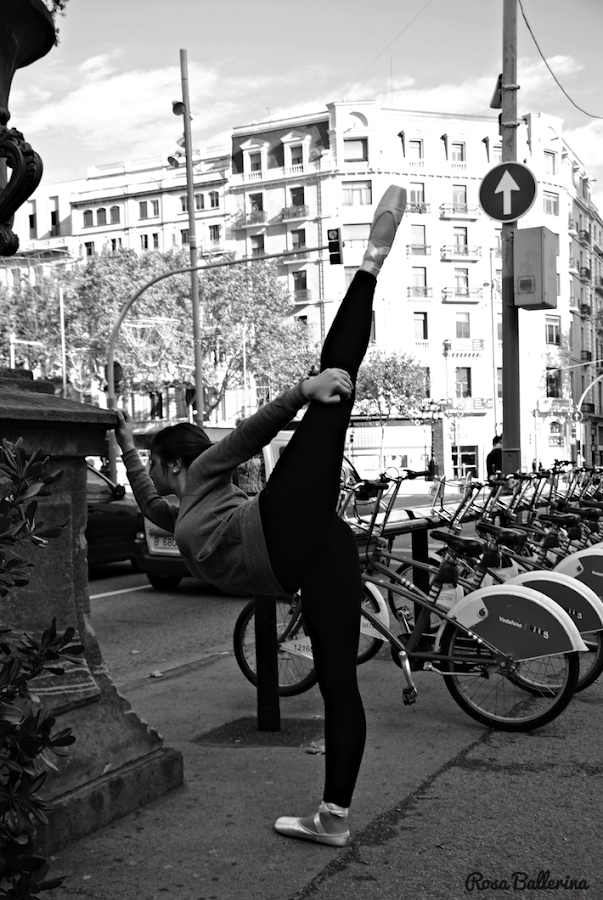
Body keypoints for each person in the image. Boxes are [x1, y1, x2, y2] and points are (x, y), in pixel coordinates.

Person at [114, 184, 407, 847]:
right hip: (305, 557)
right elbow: (142, 488)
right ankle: (332, 819)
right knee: (337, 683)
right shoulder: (174, 507)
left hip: (278, 530)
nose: (154, 479)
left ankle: (367, 265)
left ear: (173, 463)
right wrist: (117, 437)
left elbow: (247, 433)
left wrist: (300, 392)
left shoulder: (208, 473)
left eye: (158, 463)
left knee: (331, 388)